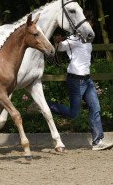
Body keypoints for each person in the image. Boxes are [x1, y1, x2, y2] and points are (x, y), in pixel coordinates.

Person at [48, 11, 113, 151]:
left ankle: (97, 142)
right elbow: (59, 48)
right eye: (88, 24)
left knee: (95, 108)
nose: (90, 27)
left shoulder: (88, 38)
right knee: (73, 113)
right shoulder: (72, 40)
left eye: (91, 24)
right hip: (75, 81)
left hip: (87, 80)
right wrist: (57, 41)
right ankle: (47, 106)